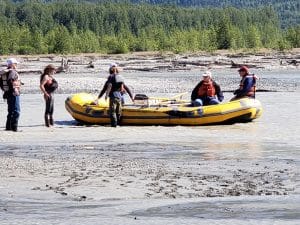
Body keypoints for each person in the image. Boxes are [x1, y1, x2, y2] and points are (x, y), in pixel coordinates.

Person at [0, 58, 21, 131]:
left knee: (11, 111)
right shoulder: (12, 72)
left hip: (7, 93)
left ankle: (8, 127)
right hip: (13, 93)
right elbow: (10, 80)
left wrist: (5, 89)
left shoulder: (4, 72)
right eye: (16, 64)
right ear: (12, 64)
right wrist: (15, 89)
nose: (16, 65)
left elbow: (2, 84)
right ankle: (14, 128)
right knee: (16, 111)